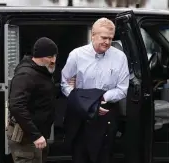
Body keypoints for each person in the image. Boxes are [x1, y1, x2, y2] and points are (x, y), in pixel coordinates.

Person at [61, 18, 130, 163]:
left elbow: (122, 89)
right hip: (81, 115)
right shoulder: (76, 55)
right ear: (93, 35)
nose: (107, 42)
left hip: (106, 113)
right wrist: (87, 104)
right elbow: (65, 84)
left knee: (104, 157)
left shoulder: (120, 58)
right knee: (80, 156)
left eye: (110, 38)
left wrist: (101, 99)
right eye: (104, 37)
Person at [8, 37, 58, 163]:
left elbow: (42, 93)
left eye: (54, 56)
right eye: (49, 57)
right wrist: (35, 135)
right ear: (39, 56)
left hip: (39, 136)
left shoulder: (42, 71)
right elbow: (16, 106)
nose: (53, 60)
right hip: (27, 138)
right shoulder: (26, 75)